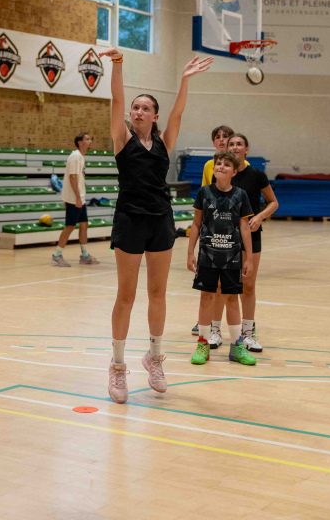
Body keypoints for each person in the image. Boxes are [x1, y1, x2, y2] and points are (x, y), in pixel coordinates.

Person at [99, 46, 213, 403]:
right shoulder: (122, 139)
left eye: (145, 108)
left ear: (154, 115)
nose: (137, 111)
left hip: (161, 219)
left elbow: (178, 113)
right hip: (129, 219)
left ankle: (154, 357)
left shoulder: (165, 142)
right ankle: (118, 366)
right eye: (135, 107)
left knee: (158, 293)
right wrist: (119, 65)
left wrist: (184, 80)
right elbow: (116, 100)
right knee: (126, 295)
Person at [205, 133, 278, 352]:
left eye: (239, 144)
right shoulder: (222, 174)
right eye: (231, 144)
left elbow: (273, 202)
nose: (235, 147)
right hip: (224, 237)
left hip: (250, 235)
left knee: (248, 285)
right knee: (220, 286)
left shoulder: (256, 175)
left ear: (246, 149)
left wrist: (259, 216)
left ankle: (247, 333)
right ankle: (215, 331)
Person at [187, 150, 257, 367]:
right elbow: (196, 223)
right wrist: (190, 252)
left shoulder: (240, 195)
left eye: (227, 165)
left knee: (232, 299)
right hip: (207, 255)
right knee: (206, 297)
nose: (221, 167)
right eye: (218, 163)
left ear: (234, 172)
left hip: (231, 256)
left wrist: (249, 258)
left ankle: (236, 346)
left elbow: (244, 227)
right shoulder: (204, 192)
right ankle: (203, 344)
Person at [192, 124, 237, 336]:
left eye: (225, 136)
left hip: (231, 235)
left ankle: (230, 328)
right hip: (211, 232)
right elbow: (205, 196)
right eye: (217, 137)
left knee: (229, 287)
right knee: (208, 286)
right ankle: (206, 322)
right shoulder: (209, 166)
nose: (221, 140)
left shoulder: (241, 166)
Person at [52, 132, 99, 267]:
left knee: (84, 225)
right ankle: (57, 255)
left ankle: (84, 255)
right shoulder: (75, 157)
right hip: (74, 199)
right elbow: (72, 177)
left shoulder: (80, 157)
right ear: (80, 142)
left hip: (80, 198)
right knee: (70, 226)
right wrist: (77, 198)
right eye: (87, 139)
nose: (90, 141)